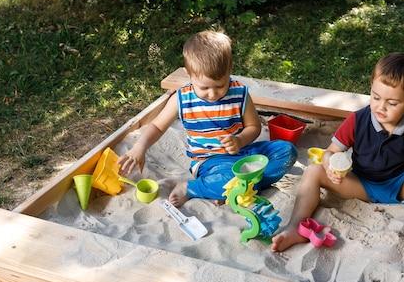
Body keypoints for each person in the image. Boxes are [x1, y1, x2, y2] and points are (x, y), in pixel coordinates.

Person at [271, 52, 404, 270]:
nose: (381, 107)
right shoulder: (357, 120)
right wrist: (330, 165)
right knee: (313, 170)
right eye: (376, 97)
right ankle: (295, 226)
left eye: (392, 102)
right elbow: (329, 153)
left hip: (400, 186)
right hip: (360, 184)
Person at [118, 30, 298, 207]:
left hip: (243, 153)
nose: (212, 94)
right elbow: (157, 126)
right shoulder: (181, 99)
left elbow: (254, 126)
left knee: (287, 151)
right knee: (229, 178)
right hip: (209, 162)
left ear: (230, 69)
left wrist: (240, 140)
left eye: (220, 85)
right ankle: (192, 188)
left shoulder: (240, 94)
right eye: (204, 88)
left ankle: (230, 189)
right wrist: (139, 147)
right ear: (189, 74)